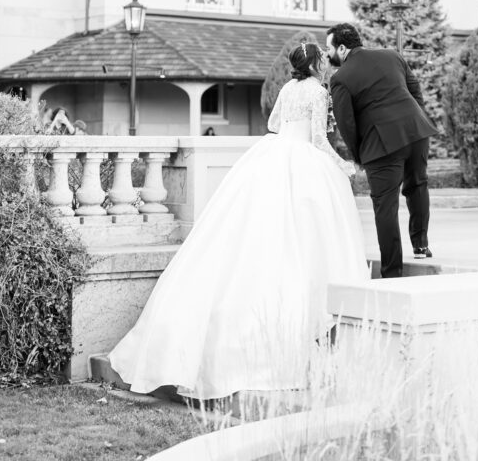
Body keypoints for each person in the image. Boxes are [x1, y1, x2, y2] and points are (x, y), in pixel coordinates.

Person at [108, 42, 369, 400]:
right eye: (322, 60)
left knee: (252, 233)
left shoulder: (289, 88)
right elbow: (320, 140)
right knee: (303, 238)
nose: (326, 64)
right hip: (304, 162)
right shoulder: (318, 92)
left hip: (273, 155)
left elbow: (275, 123)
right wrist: (343, 165)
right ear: (315, 64)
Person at [326, 22, 438, 278]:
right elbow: (415, 90)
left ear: (342, 48)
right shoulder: (392, 55)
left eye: (329, 48)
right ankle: (421, 245)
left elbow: (347, 124)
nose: (328, 53)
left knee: (385, 206)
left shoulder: (340, 78)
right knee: (418, 185)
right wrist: (416, 117)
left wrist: (359, 155)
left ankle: (391, 271)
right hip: (417, 132)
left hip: (382, 146)